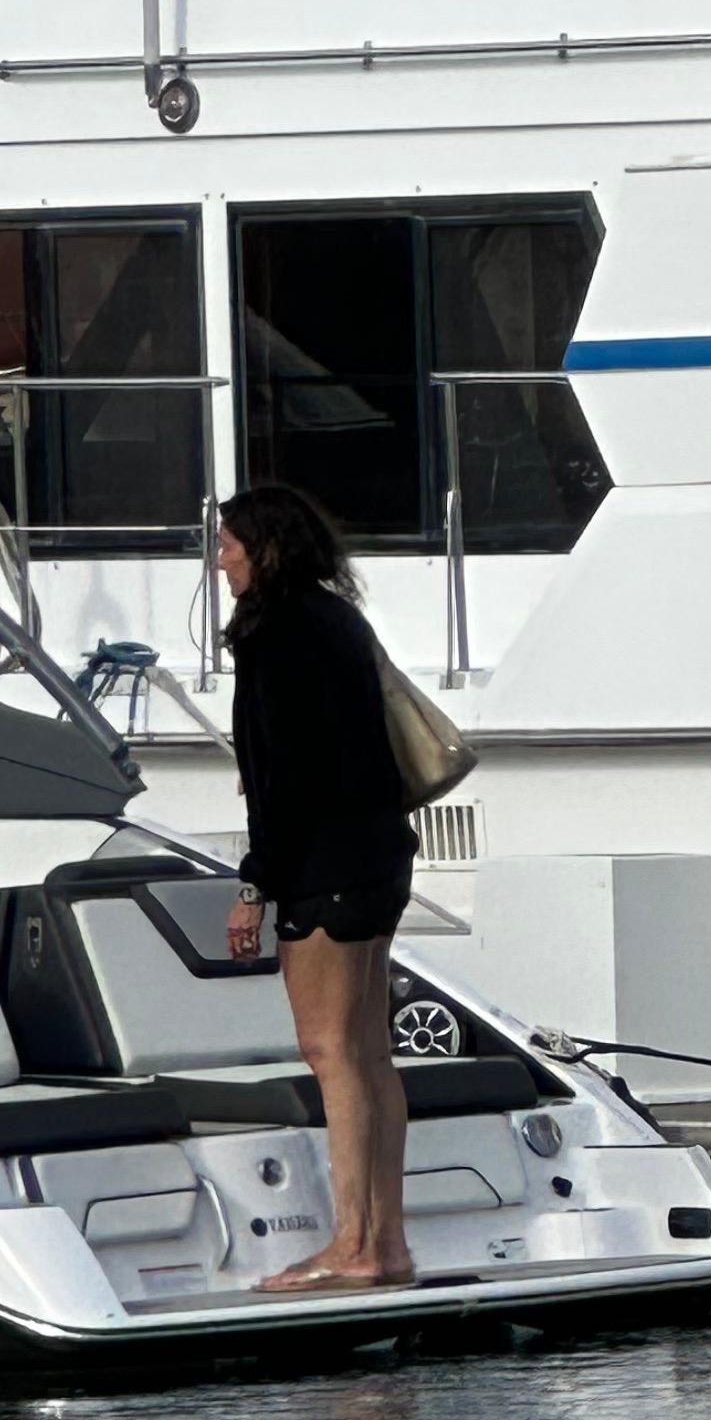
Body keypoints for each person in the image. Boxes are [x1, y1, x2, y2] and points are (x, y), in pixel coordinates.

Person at [217, 485, 419, 1294]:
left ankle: (353, 1245)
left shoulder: (275, 633)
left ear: (264, 550)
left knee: (330, 1051)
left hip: (324, 867)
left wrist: (255, 886)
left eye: (229, 544)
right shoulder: (339, 618)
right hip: (380, 856)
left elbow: (288, 777)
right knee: (370, 1053)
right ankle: (387, 1243)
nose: (220, 560)